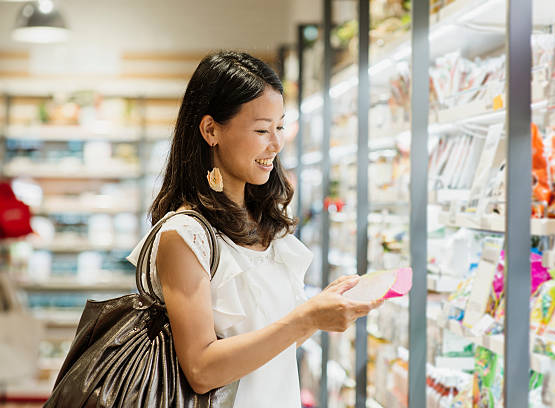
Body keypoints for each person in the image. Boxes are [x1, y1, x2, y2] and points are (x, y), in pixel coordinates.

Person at [126, 50, 382, 408]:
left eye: (279, 127)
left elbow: (271, 345)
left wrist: (319, 314)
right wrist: (302, 319)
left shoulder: (266, 226)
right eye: (262, 129)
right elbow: (200, 369)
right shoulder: (185, 236)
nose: (276, 144)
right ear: (211, 130)